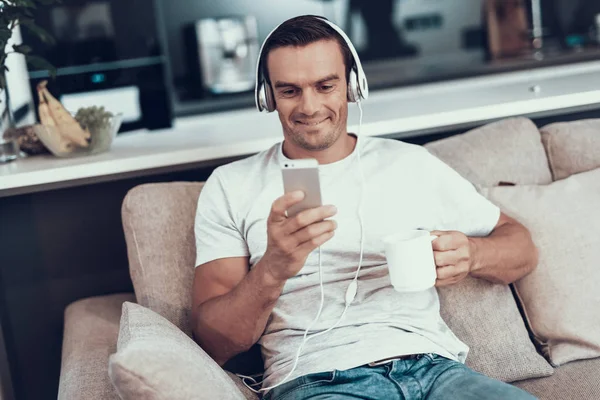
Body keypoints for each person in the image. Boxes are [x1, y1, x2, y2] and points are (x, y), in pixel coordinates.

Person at [191, 15, 539, 400]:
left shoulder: (410, 164)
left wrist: (474, 254)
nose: (309, 107)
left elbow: (521, 247)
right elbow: (212, 341)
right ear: (267, 97)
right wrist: (273, 269)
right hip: (316, 381)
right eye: (289, 91)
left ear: (353, 86)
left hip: (435, 370)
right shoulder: (231, 185)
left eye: (325, 86)